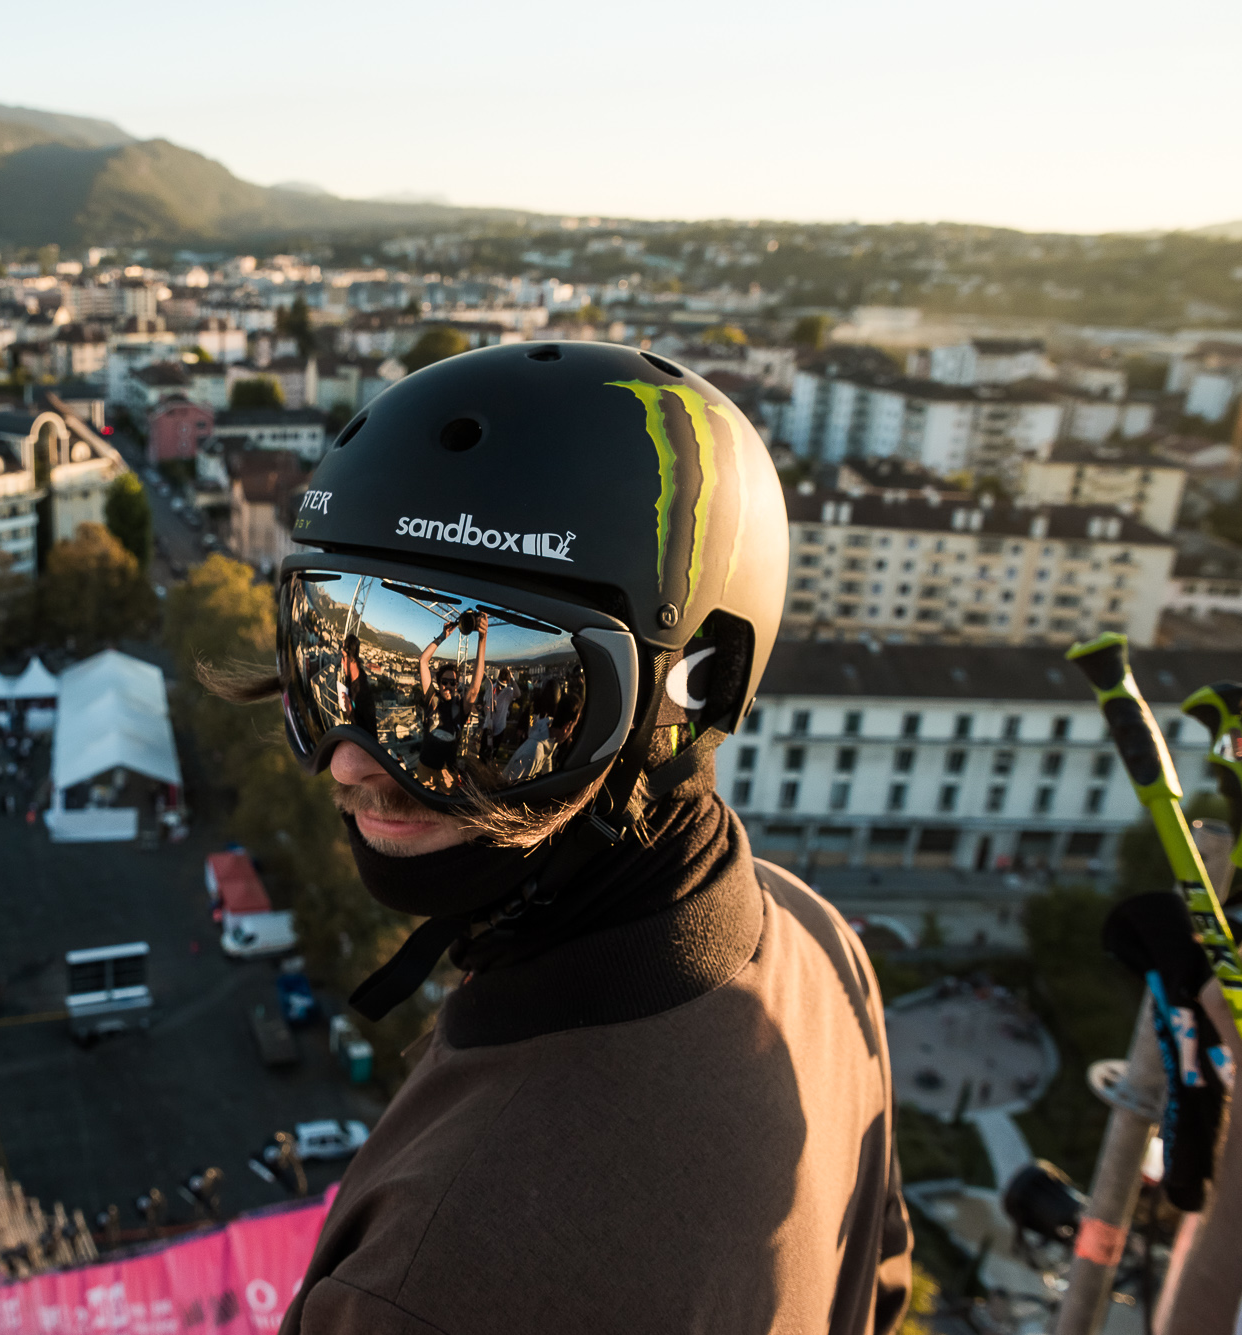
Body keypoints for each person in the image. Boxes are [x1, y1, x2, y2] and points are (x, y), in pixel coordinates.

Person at [223, 343, 908, 1333]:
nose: (348, 761)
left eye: (482, 700)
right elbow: (876, 1292)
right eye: (332, 664)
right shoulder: (815, 945)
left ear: (693, 691)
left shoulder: (440, 1278)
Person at [412, 611, 486, 791]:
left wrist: (482, 639)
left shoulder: (461, 706)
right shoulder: (432, 699)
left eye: (453, 683)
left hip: (448, 772)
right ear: (438, 683)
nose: (448, 686)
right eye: (444, 682)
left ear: (457, 685)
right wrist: (442, 636)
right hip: (425, 766)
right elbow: (423, 661)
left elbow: (475, 688)